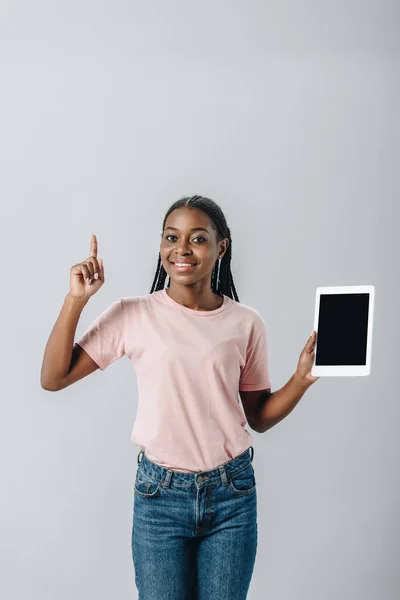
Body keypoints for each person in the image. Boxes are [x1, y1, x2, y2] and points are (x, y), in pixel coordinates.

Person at [40, 194, 318, 599]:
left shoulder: (245, 323)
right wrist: (76, 300)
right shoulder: (132, 314)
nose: (182, 249)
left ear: (221, 247)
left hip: (232, 496)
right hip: (159, 497)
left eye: (198, 239)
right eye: (171, 237)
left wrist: (301, 378)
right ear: (160, 244)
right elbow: (53, 377)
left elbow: (258, 416)